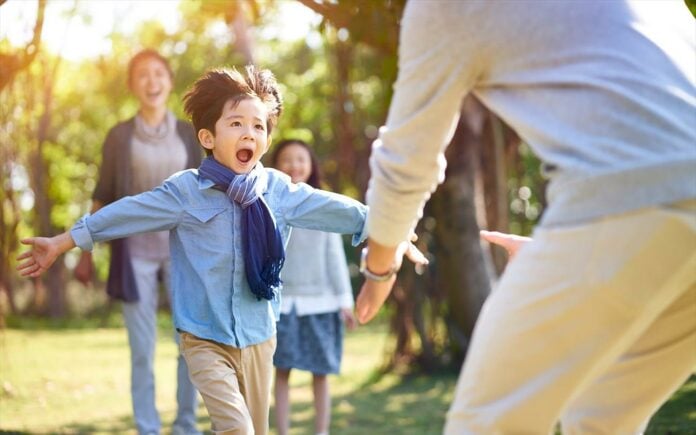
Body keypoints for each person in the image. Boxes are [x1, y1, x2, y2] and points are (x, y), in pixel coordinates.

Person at [17, 65, 426, 435]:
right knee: (237, 430)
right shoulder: (185, 191)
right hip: (204, 337)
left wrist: (390, 228)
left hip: (259, 336)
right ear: (208, 137)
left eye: (259, 126)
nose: (250, 132)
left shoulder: (278, 191)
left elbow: (334, 209)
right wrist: (65, 241)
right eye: (236, 123)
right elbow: (127, 212)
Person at [355, 1, 696, 434]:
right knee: (600, 418)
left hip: (623, 204)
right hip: (637, 215)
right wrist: (572, 255)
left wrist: (379, 269)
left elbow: (407, 160)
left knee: (485, 425)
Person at [72, 48, 202, 435]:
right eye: (142, 75)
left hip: (184, 250)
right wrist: (84, 249)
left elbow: (206, 188)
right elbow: (103, 192)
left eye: (158, 73)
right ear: (132, 85)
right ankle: (147, 427)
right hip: (133, 253)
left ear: (169, 82)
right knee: (142, 349)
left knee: (191, 343)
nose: (151, 81)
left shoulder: (189, 133)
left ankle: (186, 425)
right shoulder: (119, 136)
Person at [270, 139, 357, 435]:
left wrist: (345, 301)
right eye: (287, 159)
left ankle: (321, 432)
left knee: (321, 374)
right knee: (281, 372)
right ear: (275, 165)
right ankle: (281, 431)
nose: (294, 165)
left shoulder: (323, 204)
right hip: (281, 305)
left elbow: (335, 257)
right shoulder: (266, 203)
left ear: (311, 166)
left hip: (322, 303)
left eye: (300, 159)